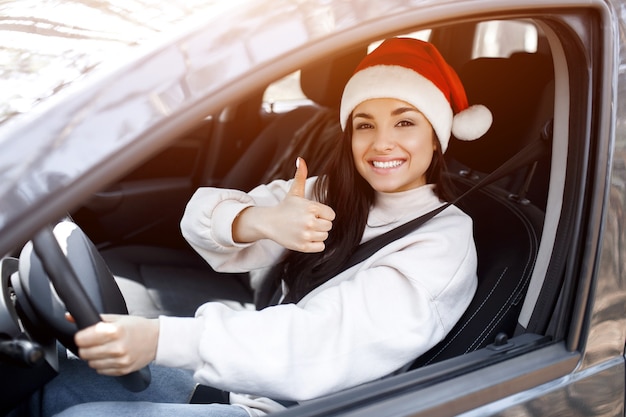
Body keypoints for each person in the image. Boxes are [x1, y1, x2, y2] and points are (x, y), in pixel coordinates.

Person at [42, 37, 492, 417]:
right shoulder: (332, 192)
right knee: (61, 383)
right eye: (365, 125)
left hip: (298, 404)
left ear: (437, 136)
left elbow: (319, 345)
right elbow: (197, 218)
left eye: (406, 122)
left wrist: (161, 338)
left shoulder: (442, 242)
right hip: (250, 372)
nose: (381, 143)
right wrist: (258, 220)